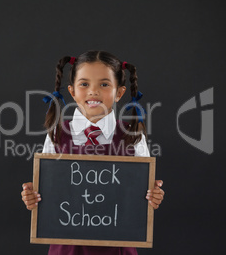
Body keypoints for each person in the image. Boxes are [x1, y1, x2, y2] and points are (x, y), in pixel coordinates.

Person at [21, 50, 165, 255]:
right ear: (71, 91)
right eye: (84, 84)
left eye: (104, 84)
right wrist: (33, 198)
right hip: (67, 248)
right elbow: (48, 195)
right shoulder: (57, 134)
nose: (93, 91)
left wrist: (153, 197)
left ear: (119, 92)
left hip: (119, 248)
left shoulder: (132, 135)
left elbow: (140, 197)